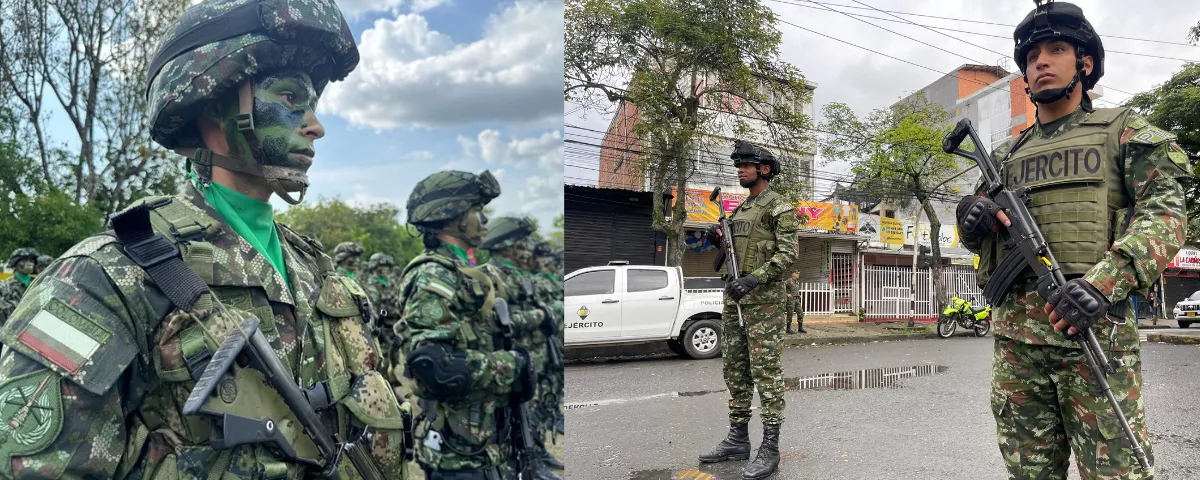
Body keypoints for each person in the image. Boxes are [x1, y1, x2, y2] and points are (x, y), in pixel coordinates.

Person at [0, 1, 414, 477]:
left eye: (313, 107)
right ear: (217, 109)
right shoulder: (108, 277)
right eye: (288, 98)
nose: (316, 127)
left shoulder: (316, 269)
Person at [957, 2, 1188, 478]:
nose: (1040, 62)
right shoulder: (1006, 155)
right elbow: (983, 245)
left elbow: (1164, 218)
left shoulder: (1125, 132)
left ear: (1084, 63)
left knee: (1117, 472)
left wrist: (1104, 282)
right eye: (1031, 55)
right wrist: (971, 220)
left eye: (1056, 49)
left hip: (1092, 335)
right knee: (1028, 471)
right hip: (1017, 348)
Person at [396, 170, 535, 479]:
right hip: (458, 455)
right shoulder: (434, 274)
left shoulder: (464, 270)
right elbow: (434, 367)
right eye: (477, 211)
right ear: (452, 216)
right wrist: (512, 367)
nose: (484, 221)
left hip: (485, 443)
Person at [699, 140, 798, 479]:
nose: (739, 169)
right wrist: (719, 242)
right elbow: (739, 249)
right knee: (735, 370)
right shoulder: (741, 210)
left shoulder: (779, 207)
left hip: (763, 302)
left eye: (744, 164)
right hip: (734, 299)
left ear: (764, 169)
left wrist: (755, 279)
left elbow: (787, 256)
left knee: (766, 372)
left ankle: (770, 448)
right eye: (738, 165)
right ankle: (737, 439)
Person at [480, 217, 562, 480]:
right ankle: (522, 465)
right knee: (513, 418)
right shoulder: (489, 276)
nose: (526, 250)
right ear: (505, 245)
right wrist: (540, 316)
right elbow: (498, 322)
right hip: (511, 359)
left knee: (533, 412)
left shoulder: (517, 275)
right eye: (520, 243)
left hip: (536, 355)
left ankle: (536, 457)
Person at [364, 252, 409, 398]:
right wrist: (383, 336)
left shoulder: (390, 282)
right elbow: (375, 313)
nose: (386, 269)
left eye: (388, 266)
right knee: (382, 363)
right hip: (381, 332)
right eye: (383, 266)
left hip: (394, 329)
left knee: (395, 360)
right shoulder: (371, 285)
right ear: (375, 267)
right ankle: (387, 394)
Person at [0, 248, 40, 325]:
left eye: (31, 260)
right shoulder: (4, 286)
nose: (29, 263)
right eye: (24, 260)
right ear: (15, 262)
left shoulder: (39, 283)